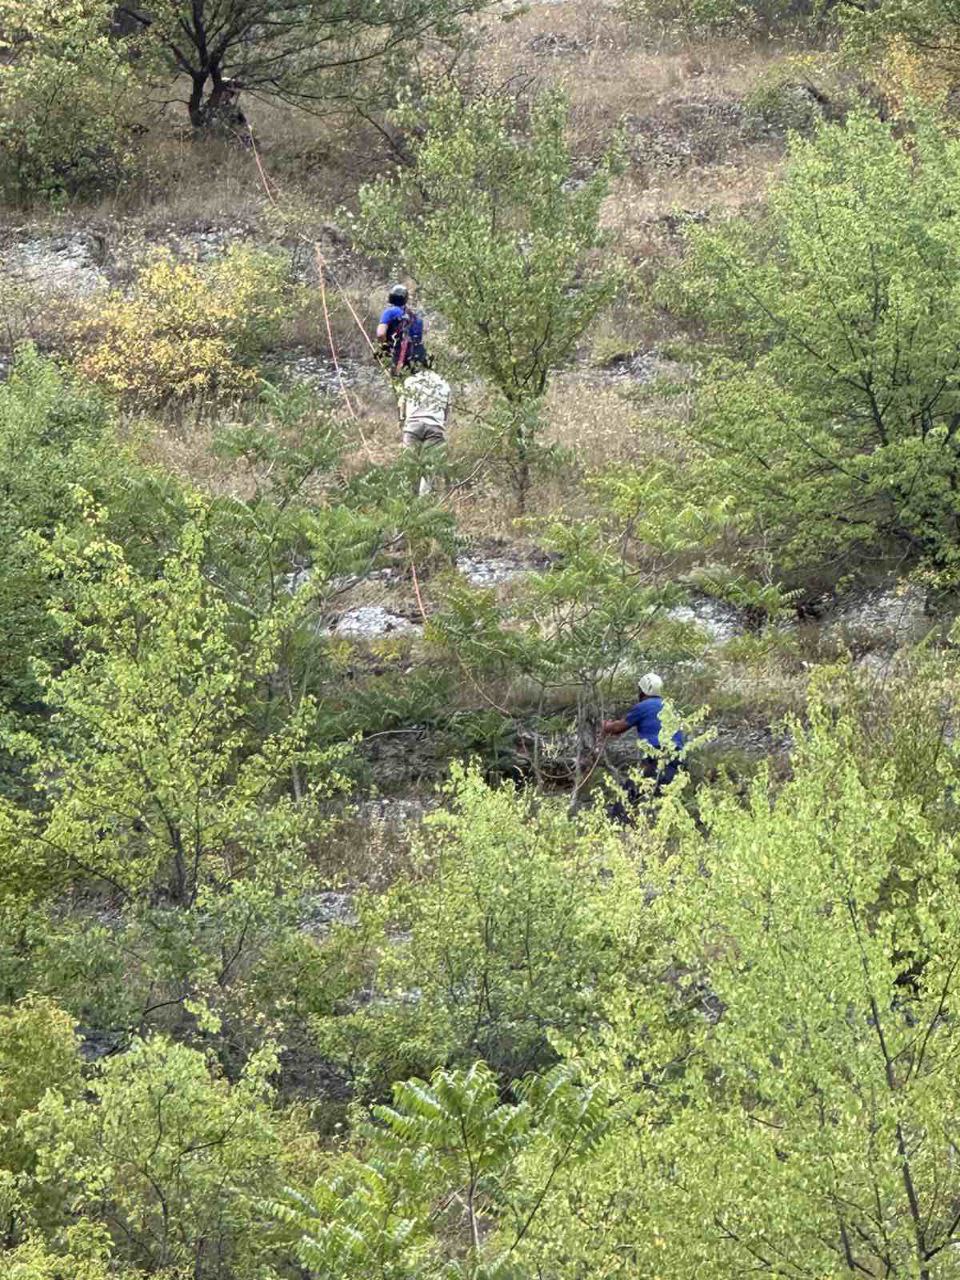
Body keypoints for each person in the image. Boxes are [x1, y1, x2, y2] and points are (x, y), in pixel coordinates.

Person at [601, 672, 686, 816]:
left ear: (643, 690)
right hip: (678, 759)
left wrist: (605, 725)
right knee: (663, 798)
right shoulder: (669, 707)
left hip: (656, 758)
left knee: (631, 790)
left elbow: (617, 728)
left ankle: (618, 821)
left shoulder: (643, 706)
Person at [397, 361, 452, 496]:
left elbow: (402, 405)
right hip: (435, 428)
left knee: (410, 467)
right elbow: (447, 410)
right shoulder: (444, 384)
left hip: (413, 427)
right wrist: (441, 423)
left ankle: (409, 501)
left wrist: (402, 420)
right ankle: (424, 499)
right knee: (430, 468)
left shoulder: (410, 381)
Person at [376, 283, 427, 372]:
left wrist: (384, 349)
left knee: (397, 382)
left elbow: (380, 334)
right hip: (418, 358)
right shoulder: (415, 317)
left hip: (398, 358)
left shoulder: (390, 312)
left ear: (391, 297)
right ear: (405, 299)